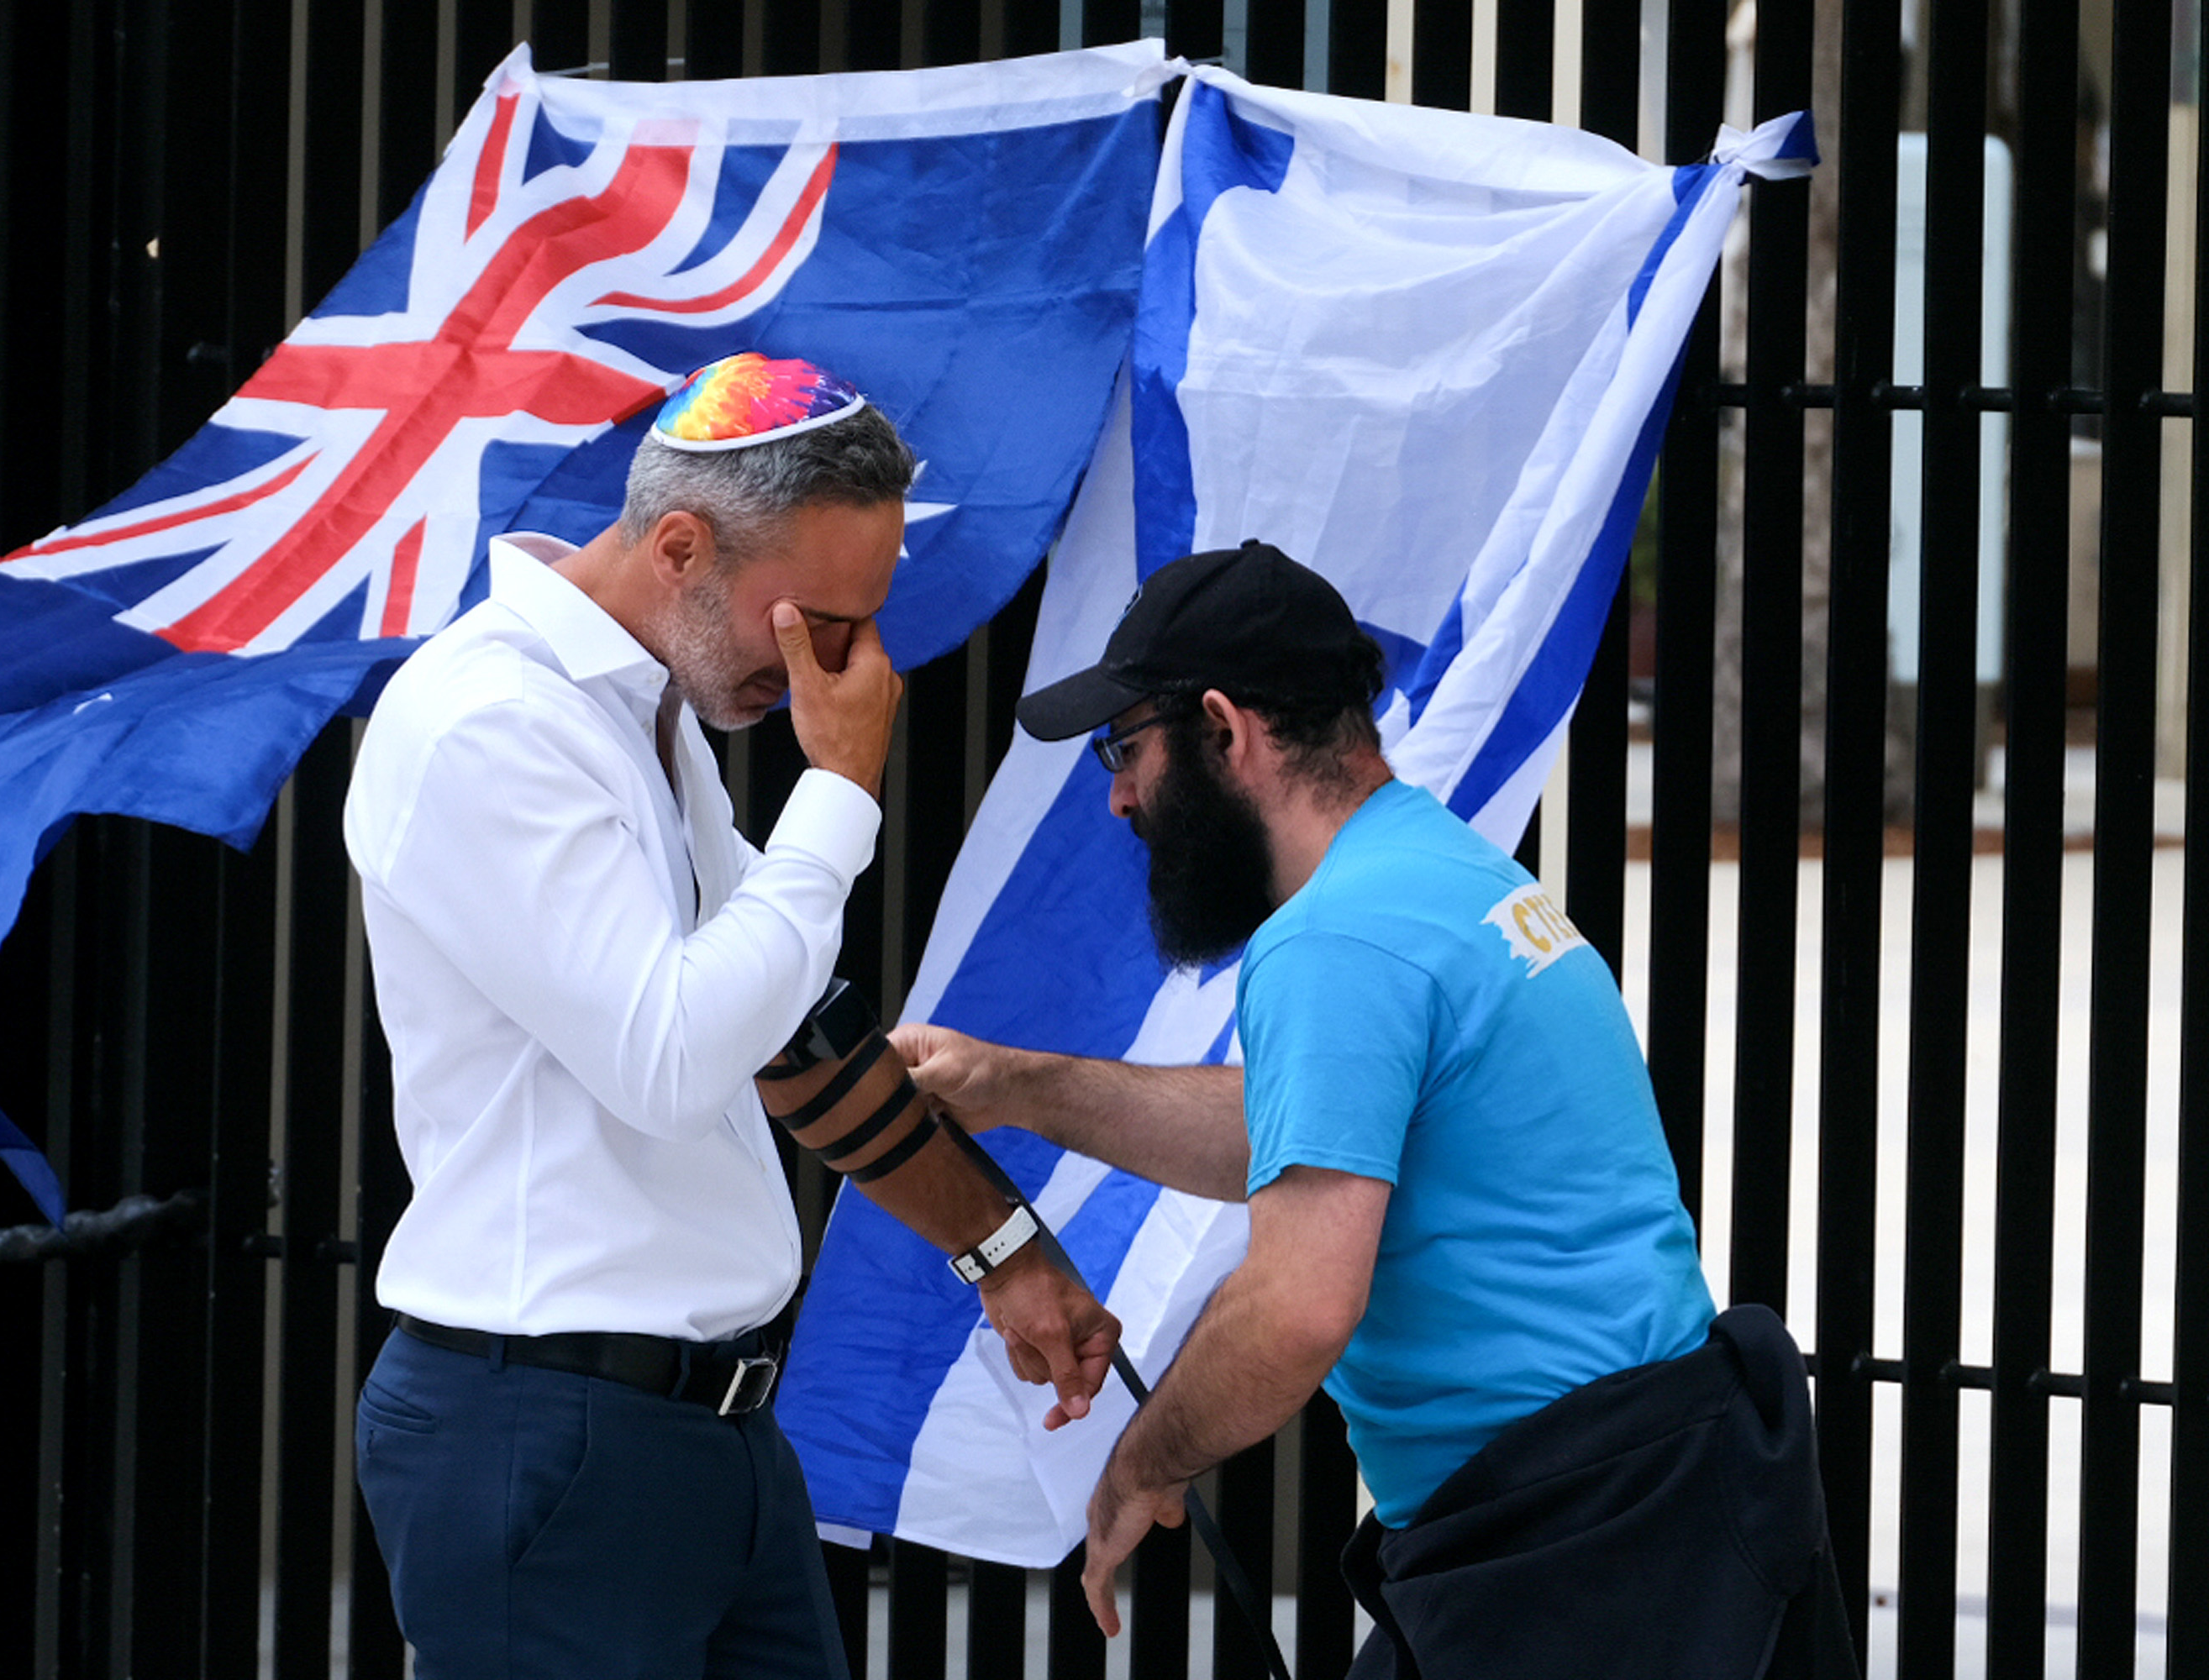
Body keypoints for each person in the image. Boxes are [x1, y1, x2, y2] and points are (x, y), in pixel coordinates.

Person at [894, 540, 1859, 1678]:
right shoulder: (1439, 869)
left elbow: (1297, 1310)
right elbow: (1306, 1130)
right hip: (1643, 1495)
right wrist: (1020, 1087)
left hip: (1579, 1545)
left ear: (1223, 729)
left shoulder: (1337, 938)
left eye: (1128, 749)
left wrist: (1143, 1462)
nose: (1117, 795)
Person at [343, 351, 1118, 1680]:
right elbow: (674, 1055)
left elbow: (789, 1034)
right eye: (815, 619)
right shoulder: (489, 720)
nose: (845, 666)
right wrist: (841, 794)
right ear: (684, 547)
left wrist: (1005, 1251)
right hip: (551, 1433)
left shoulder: (643, 710)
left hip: (706, 1439)